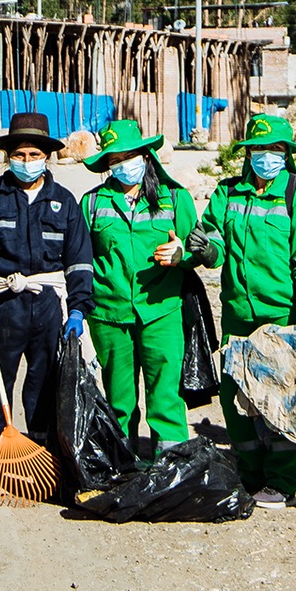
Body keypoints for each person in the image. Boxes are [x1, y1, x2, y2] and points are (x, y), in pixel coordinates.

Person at [197, 111, 296, 507]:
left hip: (282, 313)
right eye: (258, 149)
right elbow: (213, 242)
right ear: (246, 153)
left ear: (287, 153)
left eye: (275, 149)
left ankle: (282, 482)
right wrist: (206, 249)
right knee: (236, 398)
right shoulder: (227, 192)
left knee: (285, 398)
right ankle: (249, 475)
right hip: (237, 312)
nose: (266, 156)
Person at [0, 111, 94, 443]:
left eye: (34, 155)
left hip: (48, 306)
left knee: (46, 388)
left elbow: (79, 261)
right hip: (0, 304)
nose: (27, 161)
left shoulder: (64, 202)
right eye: (19, 155)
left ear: (46, 157)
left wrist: (77, 310)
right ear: (8, 157)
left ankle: (43, 457)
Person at [81, 118, 200, 446]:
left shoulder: (175, 198)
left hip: (161, 311)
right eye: (114, 160)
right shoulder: (92, 203)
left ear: (146, 156)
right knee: (119, 400)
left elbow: (201, 248)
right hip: (109, 315)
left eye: (128, 156)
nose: (122, 165)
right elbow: (80, 258)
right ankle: (124, 468)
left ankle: (171, 467)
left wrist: (183, 254)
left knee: (165, 399)